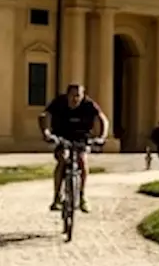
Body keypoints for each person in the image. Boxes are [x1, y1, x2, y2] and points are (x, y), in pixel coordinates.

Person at [38, 83, 109, 213]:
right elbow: (44, 116)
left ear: (82, 96)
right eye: (72, 96)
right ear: (67, 95)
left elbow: (103, 119)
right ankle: (57, 197)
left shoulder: (88, 104)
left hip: (82, 137)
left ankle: (82, 196)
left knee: (82, 160)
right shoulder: (59, 103)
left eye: (78, 96)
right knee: (63, 159)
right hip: (62, 135)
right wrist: (47, 133)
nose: (75, 99)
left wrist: (102, 137)